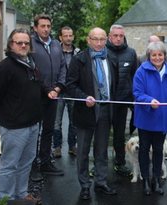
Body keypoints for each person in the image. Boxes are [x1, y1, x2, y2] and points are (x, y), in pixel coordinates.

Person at [0, 28, 42, 203]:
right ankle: (6, 199)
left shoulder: (30, 64)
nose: (23, 45)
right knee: (10, 165)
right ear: (11, 45)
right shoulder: (4, 68)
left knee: (26, 163)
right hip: (14, 127)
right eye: (19, 42)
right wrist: (9, 115)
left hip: (32, 124)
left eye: (26, 42)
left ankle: (21, 195)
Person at [66, 27, 117, 200]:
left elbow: (114, 84)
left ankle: (101, 182)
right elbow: (70, 85)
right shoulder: (78, 60)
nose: (99, 42)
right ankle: (85, 185)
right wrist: (84, 97)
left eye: (102, 39)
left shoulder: (110, 58)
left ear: (106, 40)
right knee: (83, 151)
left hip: (105, 110)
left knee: (102, 150)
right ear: (88, 40)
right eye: (95, 39)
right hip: (85, 111)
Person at [133, 41, 167, 196]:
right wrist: (149, 101)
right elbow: (137, 93)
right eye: (154, 55)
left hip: (163, 119)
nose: (157, 57)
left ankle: (156, 180)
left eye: (160, 54)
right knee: (144, 150)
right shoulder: (141, 71)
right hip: (146, 118)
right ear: (149, 56)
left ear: (164, 56)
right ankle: (146, 181)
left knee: (159, 151)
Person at [30, 14, 66, 181]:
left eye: (48, 26)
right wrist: (47, 90)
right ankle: (32, 167)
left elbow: (63, 67)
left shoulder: (57, 45)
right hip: (36, 96)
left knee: (48, 130)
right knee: (33, 132)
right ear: (35, 27)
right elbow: (33, 69)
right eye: (42, 26)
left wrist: (58, 87)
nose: (45, 29)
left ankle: (45, 162)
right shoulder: (30, 44)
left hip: (54, 95)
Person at [106, 24, 138, 175]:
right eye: (115, 35)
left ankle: (120, 162)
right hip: (105, 102)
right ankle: (99, 165)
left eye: (121, 36)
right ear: (109, 36)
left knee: (119, 135)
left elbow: (135, 77)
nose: (118, 38)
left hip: (122, 101)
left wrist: (133, 99)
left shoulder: (131, 53)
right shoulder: (102, 51)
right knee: (102, 135)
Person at [52, 26, 80, 158]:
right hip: (59, 91)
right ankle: (57, 147)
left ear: (73, 37)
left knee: (74, 120)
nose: (68, 38)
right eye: (65, 36)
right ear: (60, 38)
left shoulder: (78, 53)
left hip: (73, 92)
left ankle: (72, 145)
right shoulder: (55, 52)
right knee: (56, 120)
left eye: (70, 35)